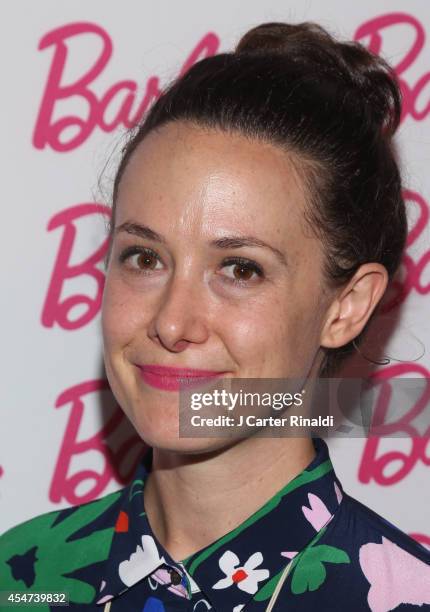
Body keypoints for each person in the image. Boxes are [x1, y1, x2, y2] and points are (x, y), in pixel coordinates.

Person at [1, 20, 430, 612]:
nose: (172, 324)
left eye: (240, 270)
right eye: (144, 257)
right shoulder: (24, 577)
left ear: (346, 307)